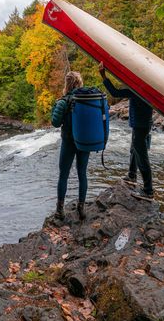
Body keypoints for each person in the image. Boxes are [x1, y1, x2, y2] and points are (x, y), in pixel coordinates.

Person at [99, 62, 154, 200]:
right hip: (144, 124)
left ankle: (148, 190)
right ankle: (131, 175)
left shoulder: (137, 89)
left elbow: (115, 92)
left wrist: (103, 76)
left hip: (141, 125)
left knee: (142, 157)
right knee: (134, 149)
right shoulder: (147, 87)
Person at [51, 71, 90, 220]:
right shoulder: (87, 100)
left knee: (64, 175)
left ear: (67, 84)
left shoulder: (63, 101)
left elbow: (55, 123)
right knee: (82, 174)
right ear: (80, 84)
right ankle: (81, 209)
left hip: (68, 142)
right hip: (84, 142)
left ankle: (60, 210)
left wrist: (54, 107)